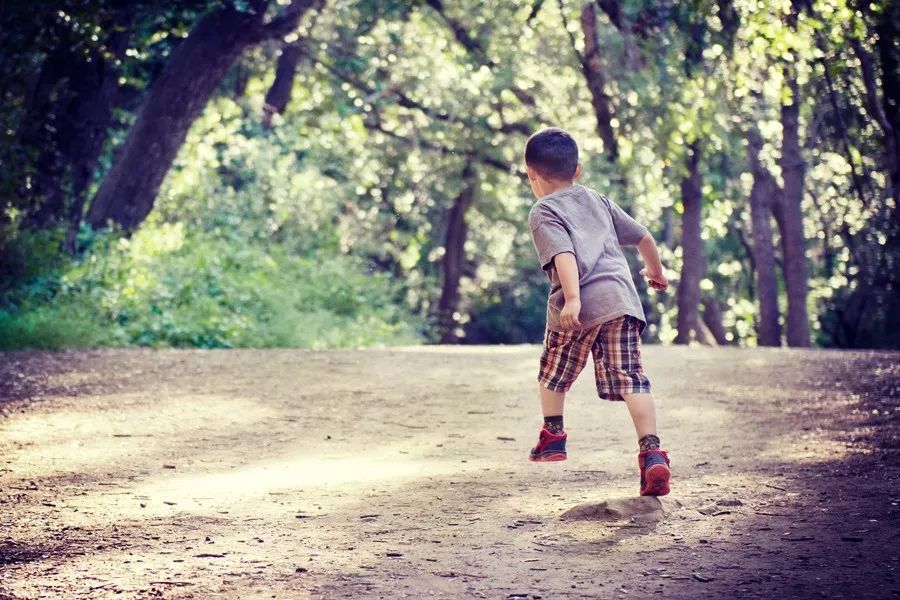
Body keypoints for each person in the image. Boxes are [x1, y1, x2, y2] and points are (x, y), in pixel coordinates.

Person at [524, 127, 671, 497]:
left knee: (553, 373)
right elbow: (643, 237)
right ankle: (652, 452)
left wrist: (573, 300)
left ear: (531, 175)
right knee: (632, 378)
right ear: (579, 170)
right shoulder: (598, 200)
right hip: (621, 302)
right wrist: (655, 272)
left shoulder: (543, 210)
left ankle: (553, 436)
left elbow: (564, 255)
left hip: (579, 308)